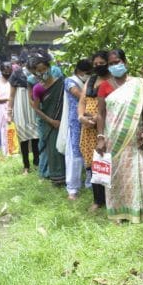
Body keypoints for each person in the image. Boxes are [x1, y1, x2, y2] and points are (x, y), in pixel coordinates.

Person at [95, 49, 143, 223]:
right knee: (116, 174)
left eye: (117, 62)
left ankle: (140, 209)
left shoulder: (139, 84)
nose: (115, 66)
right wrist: (100, 137)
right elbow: (100, 113)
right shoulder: (104, 86)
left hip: (134, 135)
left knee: (136, 170)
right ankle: (118, 211)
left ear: (125, 62)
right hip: (112, 137)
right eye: (111, 64)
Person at [78, 51, 111, 212]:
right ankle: (98, 200)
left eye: (101, 63)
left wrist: (98, 119)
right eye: (95, 64)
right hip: (88, 128)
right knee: (93, 162)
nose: (98, 66)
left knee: (106, 160)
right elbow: (82, 102)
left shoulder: (114, 81)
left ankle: (112, 197)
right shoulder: (91, 80)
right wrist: (81, 117)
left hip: (106, 125)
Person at [29, 53, 65, 185]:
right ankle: (57, 177)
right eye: (38, 71)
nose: (42, 72)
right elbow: (36, 108)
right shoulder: (37, 88)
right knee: (53, 149)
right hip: (50, 123)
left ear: (49, 68)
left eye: (44, 69)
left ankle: (70, 176)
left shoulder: (62, 83)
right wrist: (51, 121)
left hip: (64, 121)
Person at [60, 59, 92, 200]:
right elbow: (80, 96)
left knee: (90, 152)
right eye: (87, 72)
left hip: (90, 121)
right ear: (79, 71)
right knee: (75, 155)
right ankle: (72, 189)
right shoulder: (70, 81)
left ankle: (90, 184)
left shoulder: (89, 81)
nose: (89, 75)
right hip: (75, 123)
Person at [8, 54, 40, 174]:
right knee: (23, 138)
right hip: (20, 108)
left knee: (36, 137)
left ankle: (37, 163)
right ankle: (26, 166)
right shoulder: (16, 74)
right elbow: (11, 95)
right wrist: (9, 112)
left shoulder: (39, 73)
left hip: (34, 107)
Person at [0, 62, 13, 157]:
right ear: (1, 71)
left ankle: (14, 149)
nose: (7, 73)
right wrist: (7, 99)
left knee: (13, 129)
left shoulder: (13, 81)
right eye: (5, 71)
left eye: (9, 71)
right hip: (2, 109)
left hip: (13, 108)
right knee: (4, 130)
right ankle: (6, 151)